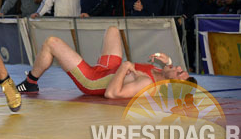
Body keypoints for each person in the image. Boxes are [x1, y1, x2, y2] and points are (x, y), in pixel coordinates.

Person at [16, 26, 195, 97]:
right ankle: (108, 65)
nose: (178, 66)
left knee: (51, 43)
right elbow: (168, 69)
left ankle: (31, 82)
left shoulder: (147, 84)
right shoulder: (159, 71)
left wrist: (125, 66)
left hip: (93, 81)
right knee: (113, 30)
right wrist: (168, 62)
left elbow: (111, 94)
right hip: (109, 69)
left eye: (179, 72)